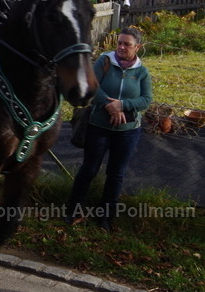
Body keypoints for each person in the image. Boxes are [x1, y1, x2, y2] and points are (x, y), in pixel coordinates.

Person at [65, 27, 153, 231]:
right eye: (119, 43)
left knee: (116, 174)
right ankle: (73, 210)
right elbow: (91, 85)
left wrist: (122, 106)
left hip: (128, 131)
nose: (121, 47)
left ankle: (105, 217)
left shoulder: (142, 72)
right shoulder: (104, 61)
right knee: (89, 170)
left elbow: (146, 100)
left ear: (137, 47)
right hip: (98, 126)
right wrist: (108, 105)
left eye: (127, 44)